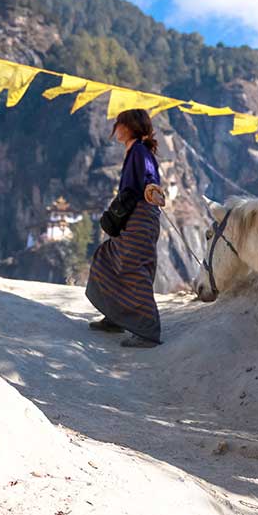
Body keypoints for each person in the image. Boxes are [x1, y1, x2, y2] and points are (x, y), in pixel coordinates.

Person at [85, 109, 165, 348]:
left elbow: (148, 180)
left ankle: (148, 332)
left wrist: (149, 190)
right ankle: (115, 317)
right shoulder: (136, 151)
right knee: (108, 259)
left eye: (120, 124)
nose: (116, 128)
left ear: (131, 126)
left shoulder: (140, 152)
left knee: (132, 268)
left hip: (141, 217)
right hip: (136, 216)